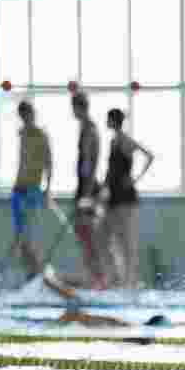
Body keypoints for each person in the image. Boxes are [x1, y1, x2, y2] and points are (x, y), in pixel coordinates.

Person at [98, 108, 153, 289]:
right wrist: (103, 190)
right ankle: (117, 279)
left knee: (126, 241)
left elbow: (149, 156)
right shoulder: (114, 141)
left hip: (126, 199)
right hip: (113, 199)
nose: (106, 122)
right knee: (105, 237)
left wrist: (136, 179)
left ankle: (130, 283)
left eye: (108, 119)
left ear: (113, 121)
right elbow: (110, 171)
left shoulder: (125, 140)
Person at [10, 100, 53, 278]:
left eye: (27, 115)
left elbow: (49, 163)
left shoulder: (41, 135)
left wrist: (47, 190)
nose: (25, 119)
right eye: (22, 116)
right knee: (20, 238)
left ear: (32, 114)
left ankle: (38, 274)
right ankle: (30, 274)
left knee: (29, 237)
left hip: (32, 190)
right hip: (18, 190)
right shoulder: (22, 134)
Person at [70, 92, 105, 289]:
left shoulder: (90, 130)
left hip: (88, 187)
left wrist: (86, 194)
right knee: (82, 233)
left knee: (88, 234)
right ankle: (93, 276)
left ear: (79, 107)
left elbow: (90, 163)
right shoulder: (86, 128)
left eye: (73, 107)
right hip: (84, 185)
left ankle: (97, 279)